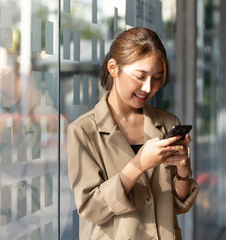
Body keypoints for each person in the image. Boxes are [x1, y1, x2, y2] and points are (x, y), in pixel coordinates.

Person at [67, 27, 199, 239]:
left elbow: (178, 205)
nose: (148, 87)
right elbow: (90, 207)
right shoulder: (83, 130)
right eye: (140, 76)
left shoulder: (167, 123)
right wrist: (139, 165)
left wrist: (183, 170)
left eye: (157, 78)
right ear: (113, 68)